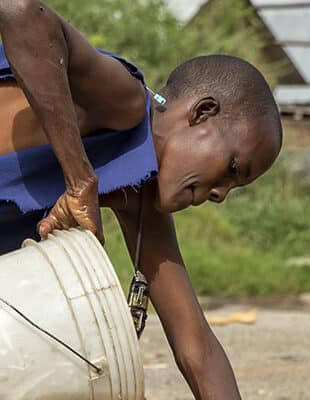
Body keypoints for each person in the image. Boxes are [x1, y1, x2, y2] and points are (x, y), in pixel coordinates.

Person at [0, 1, 282, 399]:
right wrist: (79, 177)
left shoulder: (140, 202)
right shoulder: (125, 104)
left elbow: (196, 345)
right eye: (233, 169)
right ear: (202, 113)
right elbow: (20, 11)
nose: (220, 194)